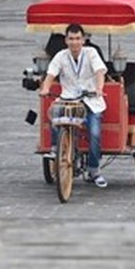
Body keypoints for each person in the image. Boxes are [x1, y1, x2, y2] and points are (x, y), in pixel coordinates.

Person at [38, 23, 109, 188]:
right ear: (66, 40)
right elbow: (51, 73)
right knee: (54, 117)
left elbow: (99, 71)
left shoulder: (91, 53)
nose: (74, 42)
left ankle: (94, 170)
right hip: (68, 99)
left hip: (91, 101)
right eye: (71, 39)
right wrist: (46, 88)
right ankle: (57, 149)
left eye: (77, 39)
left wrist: (99, 88)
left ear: (83, 40)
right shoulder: (61, 56)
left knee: (94, 133)